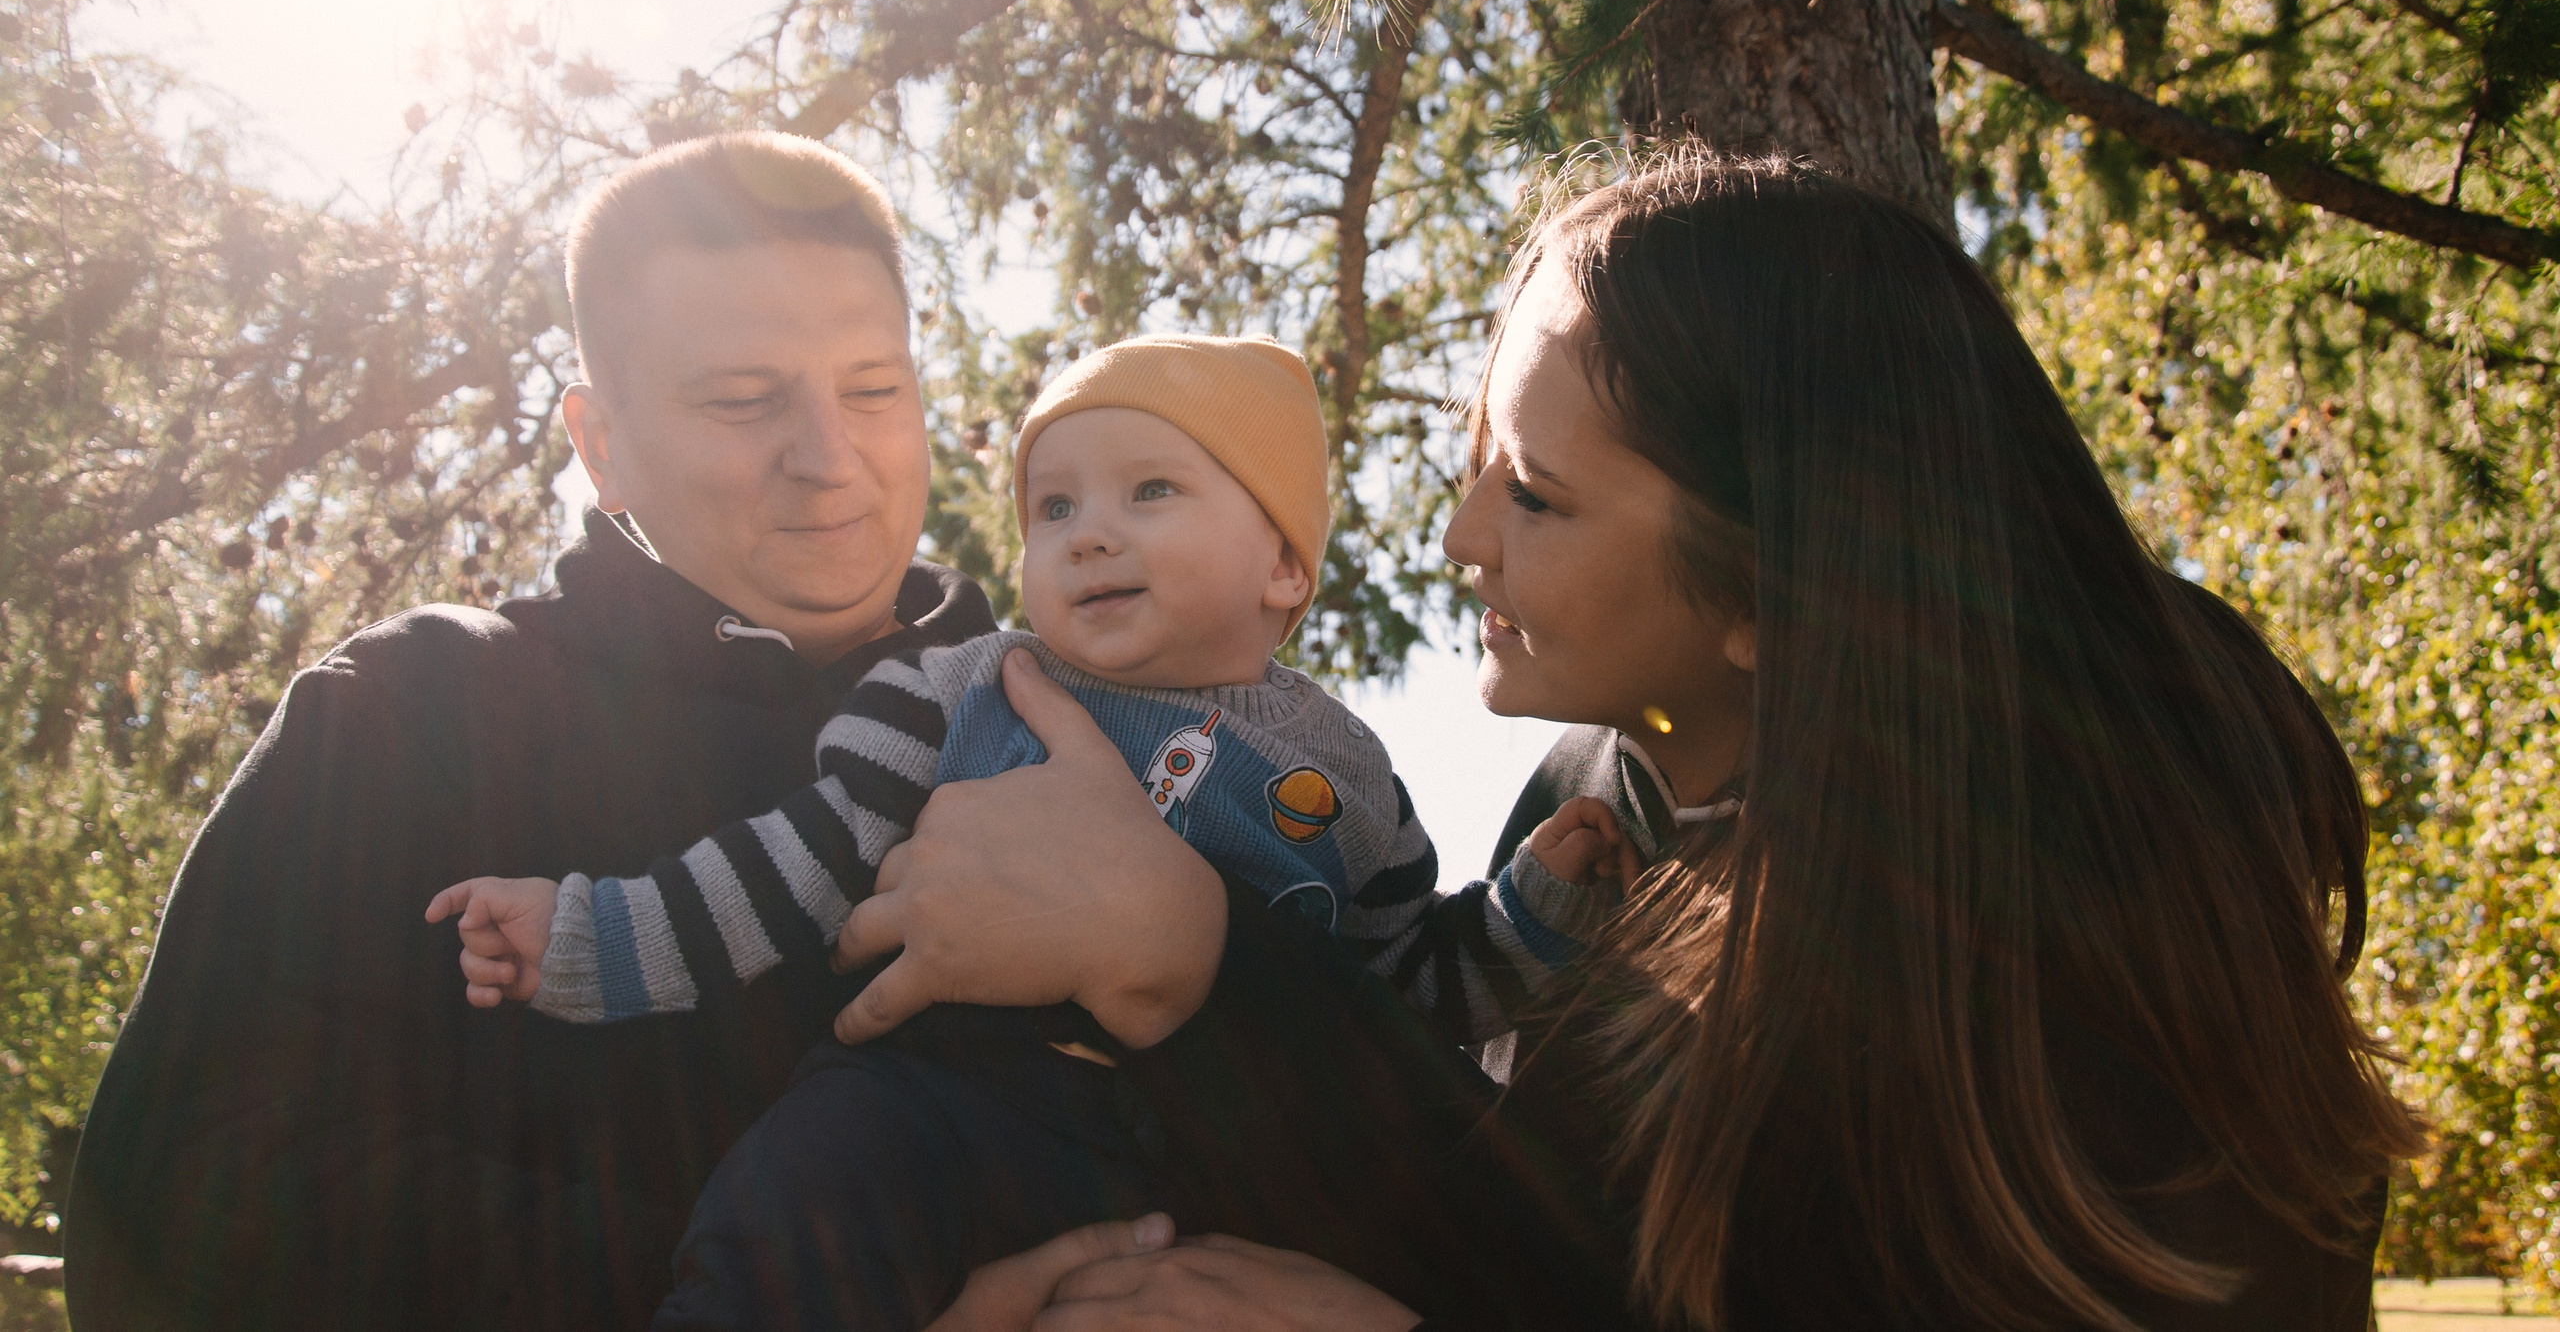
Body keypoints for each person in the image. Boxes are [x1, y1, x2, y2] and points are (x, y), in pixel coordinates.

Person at [820, 150, 2430, 1332]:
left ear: (1775, 587)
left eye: (1536, 492)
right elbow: (1522, 1221)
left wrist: (1195, 959)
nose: (1461, 537)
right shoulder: (1609, 788)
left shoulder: (2094, 915)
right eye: (1476, 459)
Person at [426, 333, 1628, 1329]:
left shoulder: (1345, 769)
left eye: (1150, 490)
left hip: (1199, 1160)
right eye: (1053, 507)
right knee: (791, 1230)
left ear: (1281, 565)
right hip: (934, 1102)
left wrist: (1536, 910)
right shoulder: (962, 686)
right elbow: (799, 862)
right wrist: (589, 934)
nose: (1089, 533)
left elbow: (1408, 990)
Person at [64, 132, 1000, 1331]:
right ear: (600, 444)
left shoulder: (1078, 716)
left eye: (874, 388)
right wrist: (820, 1297)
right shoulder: (408, 718)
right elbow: (188, 1195)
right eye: (742, 400)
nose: (830, 458)